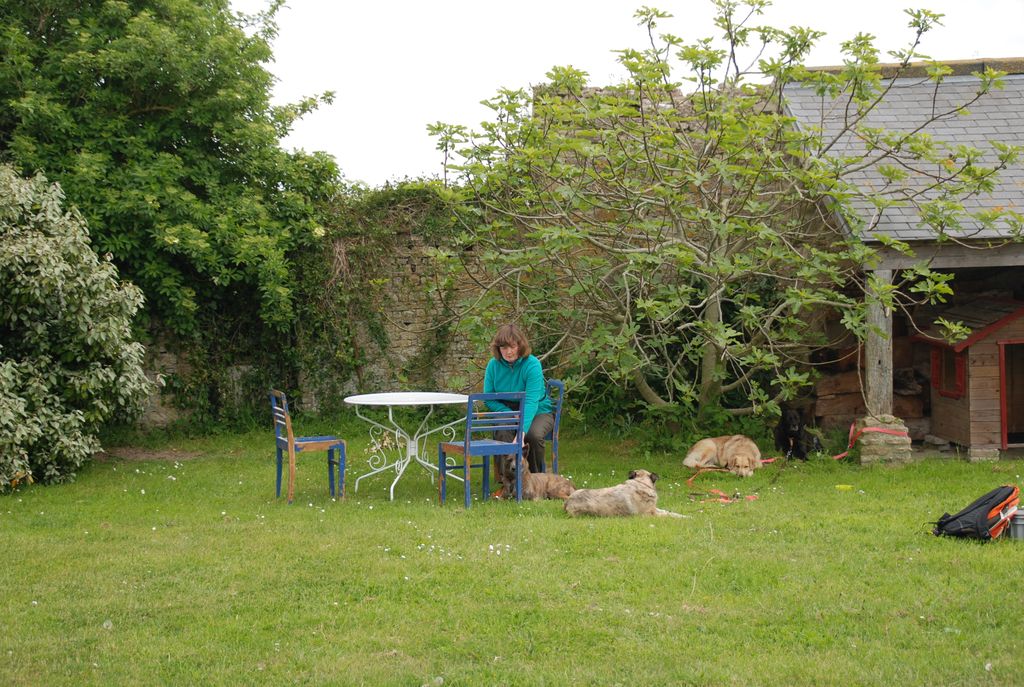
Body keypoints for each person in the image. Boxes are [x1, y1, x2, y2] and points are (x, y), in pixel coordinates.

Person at [483, 324, 554, 481]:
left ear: (520, 346)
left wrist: (521, 431)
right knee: (502, 430)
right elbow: (488, 398)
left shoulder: (532, 364)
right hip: (506, 409)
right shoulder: (492, 366)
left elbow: (531, 401)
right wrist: (507, 413)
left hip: (538, 410)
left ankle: (536, 478)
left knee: (533, 435)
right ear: (498, 349)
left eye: (512, 347)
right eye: (504, 347)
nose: (508, 352)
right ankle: (507, 481)